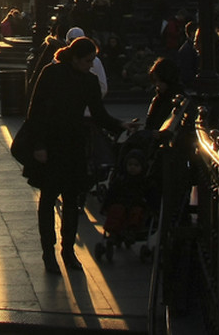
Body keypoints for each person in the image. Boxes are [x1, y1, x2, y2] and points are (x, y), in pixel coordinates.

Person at [25, 37, 136, 274]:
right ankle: (49, 252)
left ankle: (67, 251)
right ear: (74, 58)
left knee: (72, 200)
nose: (90, 65)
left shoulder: (89, 80)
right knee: (48, 199)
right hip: (52, 143)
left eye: (92, 61)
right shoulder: (51, 73)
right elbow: (36, 110)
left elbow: (98, 114)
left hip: (74, 144)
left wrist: (120, 125)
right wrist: (39, 144)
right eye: (87, 61)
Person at [143, 57, 183, 131]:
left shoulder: (179, 99)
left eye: (160, 81)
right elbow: (149, 125)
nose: (157, 85)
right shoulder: (158, 99)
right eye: (155, 81)